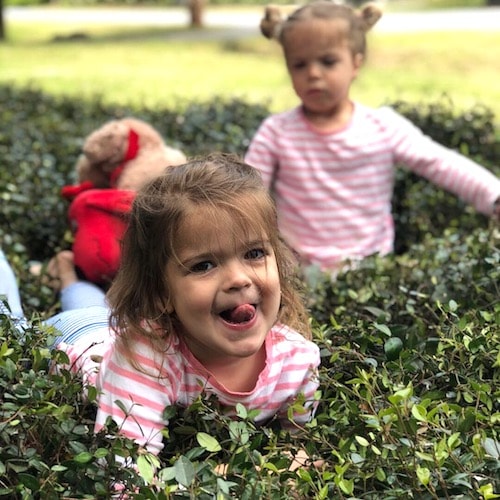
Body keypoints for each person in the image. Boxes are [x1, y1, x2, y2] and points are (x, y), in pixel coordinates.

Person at [47, 153, 320, 457]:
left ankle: (69, 276)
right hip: (80, 337)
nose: (239, 279)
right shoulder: (146, 358)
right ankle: (68, 277)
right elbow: (125, 468)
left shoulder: (298, 363)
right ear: (161, 293)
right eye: (203, 265)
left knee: (94, 304)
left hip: (113, 327)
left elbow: (294, 447)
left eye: (254, 253)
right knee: (40, 316)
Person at [244, 1, 500, 273]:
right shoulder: (277, 132)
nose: (313, 74)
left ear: (356, 63)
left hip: (370, 273)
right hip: (297, 274)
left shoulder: (382, 127)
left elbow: (440, 163)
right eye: (299, 65)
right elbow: (247, 192)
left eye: (328, 61)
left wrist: (494, 196)